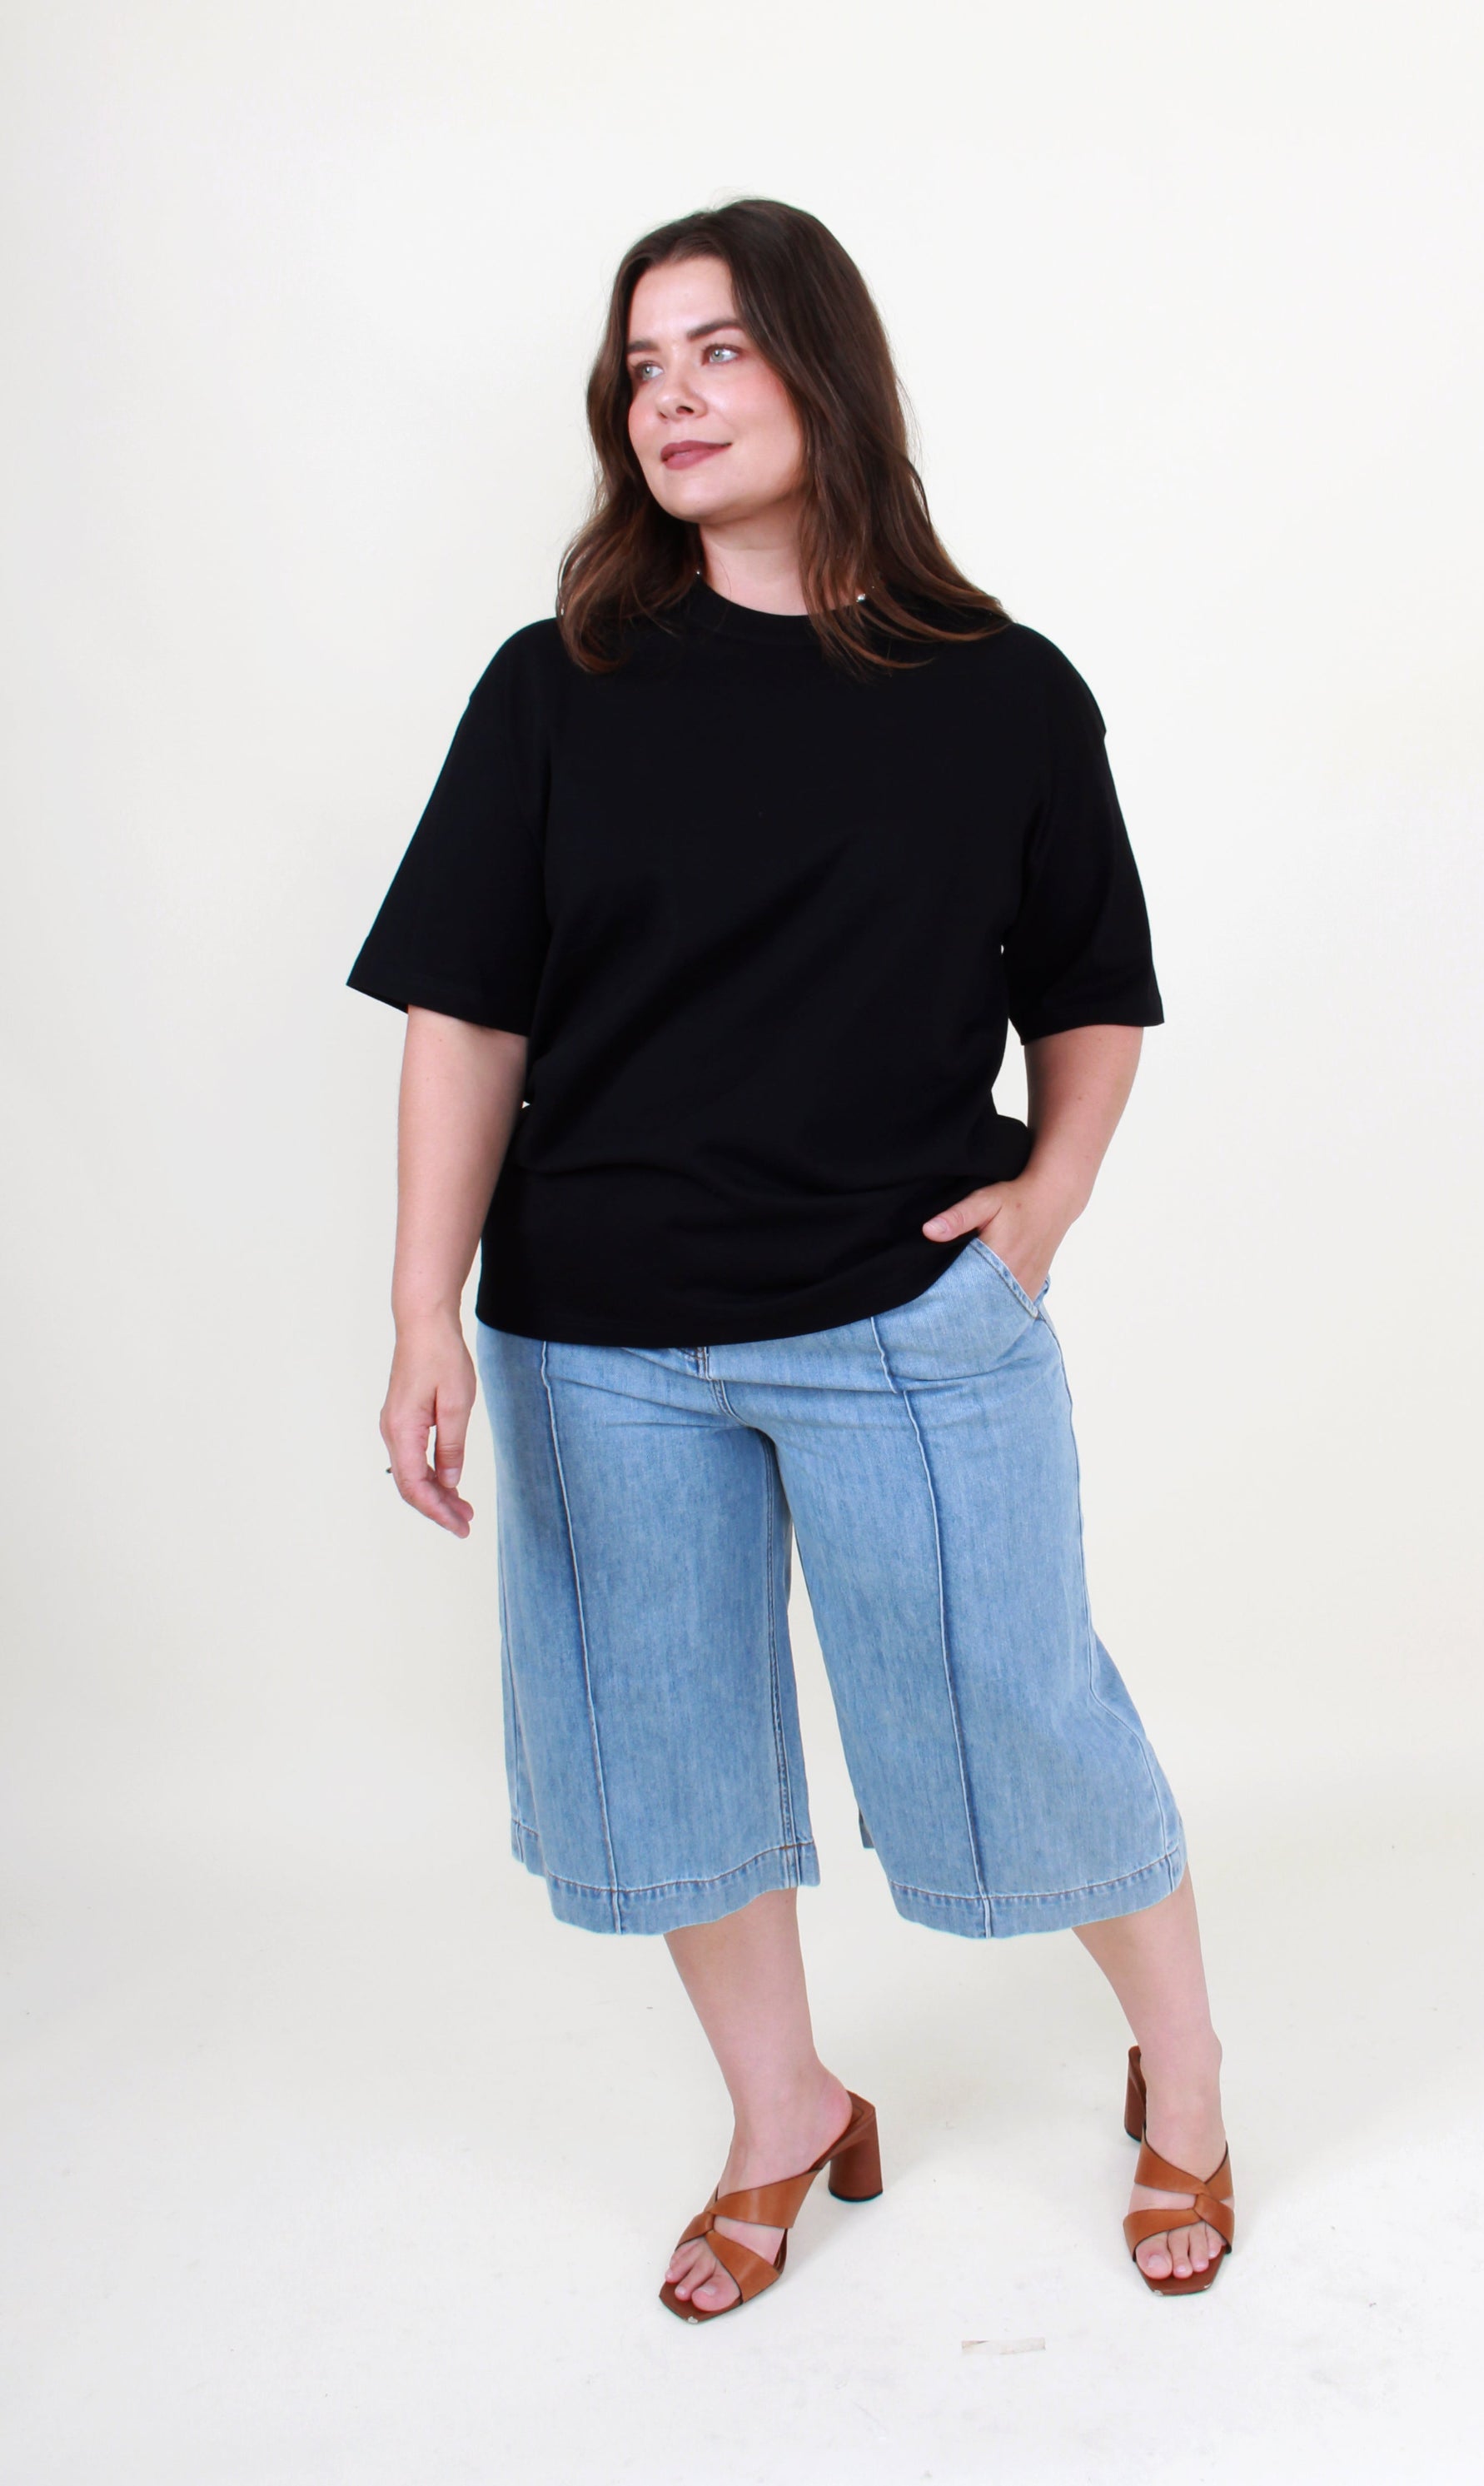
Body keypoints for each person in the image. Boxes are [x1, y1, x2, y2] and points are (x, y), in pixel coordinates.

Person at [346, 198, 1233, 2320]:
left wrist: (1046, 1206)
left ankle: (1185, 2072)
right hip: (598, 1335)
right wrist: (418, 1309)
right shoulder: (553, 689)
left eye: (719, 350)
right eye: (641, 365)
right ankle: (782, 2109)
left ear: (826, 372)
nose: (669, 396)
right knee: (663, 1764)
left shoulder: (1002, 692)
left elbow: (1090, 992)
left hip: (904, 1315)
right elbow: (466, 1012)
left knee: (1021, 1720)